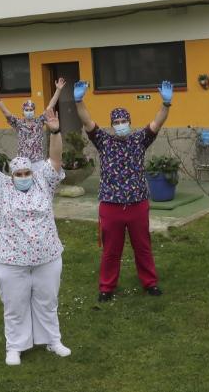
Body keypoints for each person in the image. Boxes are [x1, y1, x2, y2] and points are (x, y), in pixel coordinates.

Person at [0, 109, 70, 366]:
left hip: (47, 256)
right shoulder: (0, 187)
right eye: (19, 174)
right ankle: (15, 346)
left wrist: (55, 132)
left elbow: (55, 160)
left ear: (32, 173)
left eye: (27, 173)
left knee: (48, 301)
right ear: (11, 175)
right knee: (15, 306)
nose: (24, 177)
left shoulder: (43, 183)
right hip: (10, 260)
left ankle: (52, 340)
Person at [73, 79, 173, 302]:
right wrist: (79, 100)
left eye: (123, 120)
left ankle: (150, 283)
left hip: (137, 203)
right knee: (111, 251)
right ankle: (106, 287)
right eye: (116, 121)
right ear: (111, 124)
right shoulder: (103, 140)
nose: (120, 124)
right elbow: (87, 120)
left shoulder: (139, 139)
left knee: (143, 246)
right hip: (111, 205)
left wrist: (165, 104)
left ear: (129, 121)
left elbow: (157, 123)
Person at [0, 79, 66, 163]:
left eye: (31, 109)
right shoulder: (18, 123)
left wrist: (58, 90)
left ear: (34, 111)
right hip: (23, 162)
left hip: (38, 161)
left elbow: (50, 106)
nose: (29, 111)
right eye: (27, 110)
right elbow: (5, 112)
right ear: (23, 112)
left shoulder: (39, 121)